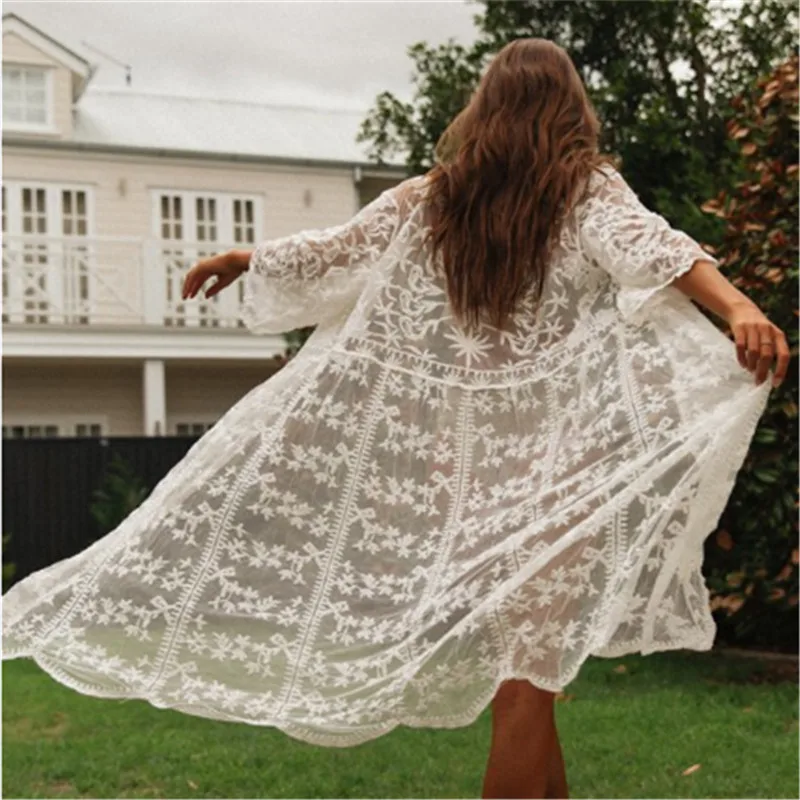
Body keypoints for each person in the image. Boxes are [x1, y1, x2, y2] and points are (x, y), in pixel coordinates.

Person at [2, 38, 788, 800]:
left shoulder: (438, 198)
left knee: (529, 680)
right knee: (526, 684)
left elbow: (335, 251)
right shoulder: (571, 190)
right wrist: (739, 307)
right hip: (557, 478)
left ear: (487, 106)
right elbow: (659, 251)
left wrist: (245, 260)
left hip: (474, 482)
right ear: (568, 109)